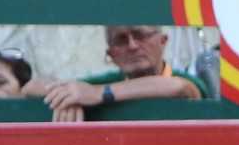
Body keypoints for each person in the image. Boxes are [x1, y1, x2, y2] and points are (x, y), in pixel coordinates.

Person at [23, 25, 207, 122]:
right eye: (121, 40)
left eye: (140, 35)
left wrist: (99, 94)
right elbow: (31, 87)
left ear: (163, 41)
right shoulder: (108, 81)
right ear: (110, 54)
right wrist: (68, 96)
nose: (133, 46)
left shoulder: (187, 80)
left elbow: (177, 87)